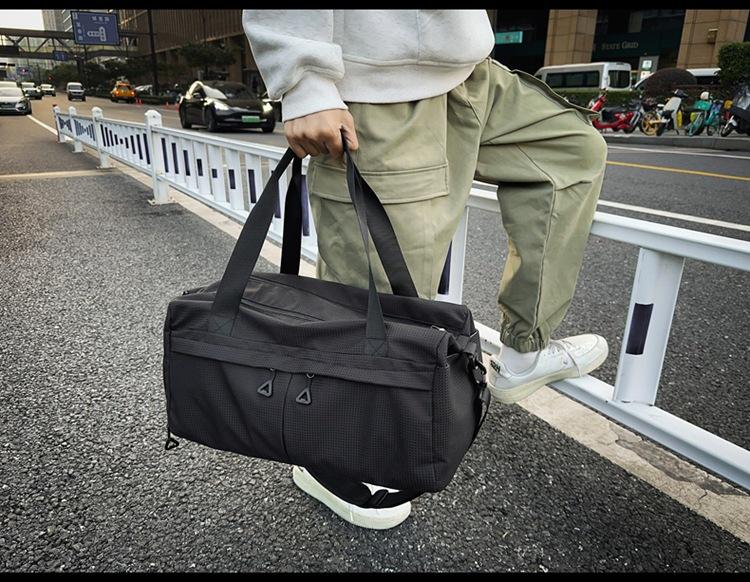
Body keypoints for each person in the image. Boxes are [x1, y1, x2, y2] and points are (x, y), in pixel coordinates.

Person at [243, 9, 609, 530]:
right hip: (380, 85)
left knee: (572, 153)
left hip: (471, 72)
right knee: (383, 295)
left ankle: (523, 352)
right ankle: (328, 460)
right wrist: (304, 79)